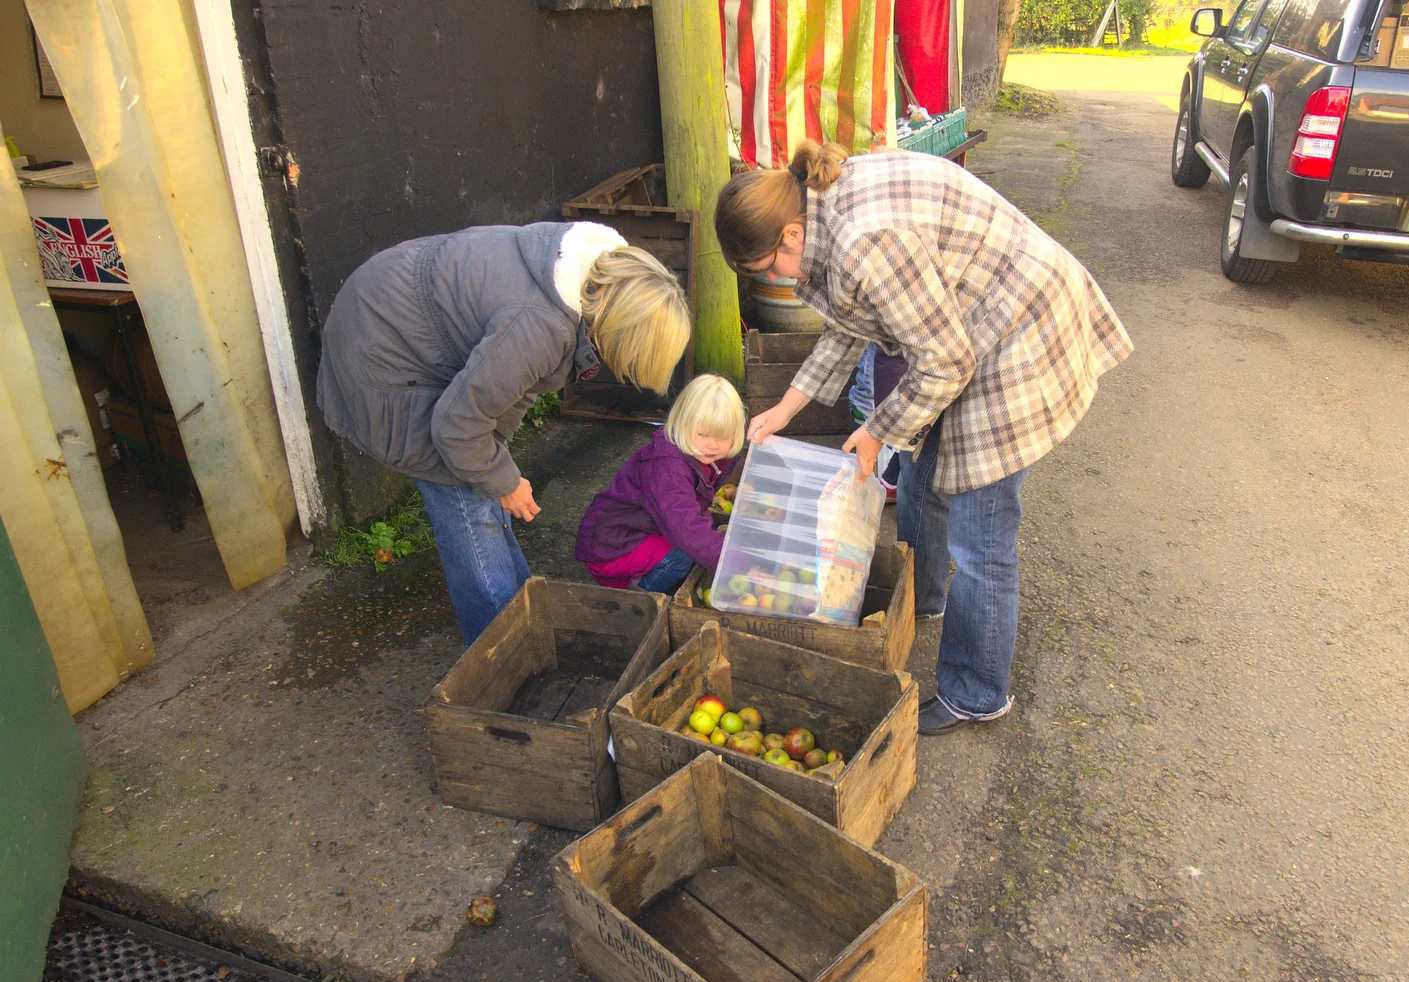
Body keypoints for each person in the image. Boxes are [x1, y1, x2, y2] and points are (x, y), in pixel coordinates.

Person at [715, 141, 1132, 736]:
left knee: (980, 534)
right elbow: (849, 324)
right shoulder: (820, 209)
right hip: (966, 325)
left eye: (764, 269)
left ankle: (977, 691)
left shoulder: (865, 239)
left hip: (1017, 331)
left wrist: (876, 430)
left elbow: (944, 364)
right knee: (922, 472)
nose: (775, 281)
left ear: (788, 234)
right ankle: (923, 600)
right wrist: (785, 407)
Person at [317, 221, 690, 644]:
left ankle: (525, 617)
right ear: (622, 330)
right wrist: (502, 479)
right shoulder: (539, 326)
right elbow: (458, 427)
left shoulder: (585, 274)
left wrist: (500, 472)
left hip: (399, 312)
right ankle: (503, 651)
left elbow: (516, 386)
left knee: (484, 479)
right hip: (382, 350)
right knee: (463, 494)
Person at [574, 374, 745, 593]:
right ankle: (643, 599)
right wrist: (737, 562)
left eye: (722, 437)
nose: (712, 445)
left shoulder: (704, 456)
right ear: (683, 423)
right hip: (613, 546)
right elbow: (687, 532)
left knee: (700, 540)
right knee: (683, 555)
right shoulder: (667, 469)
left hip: (637, 531)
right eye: (703, 434)